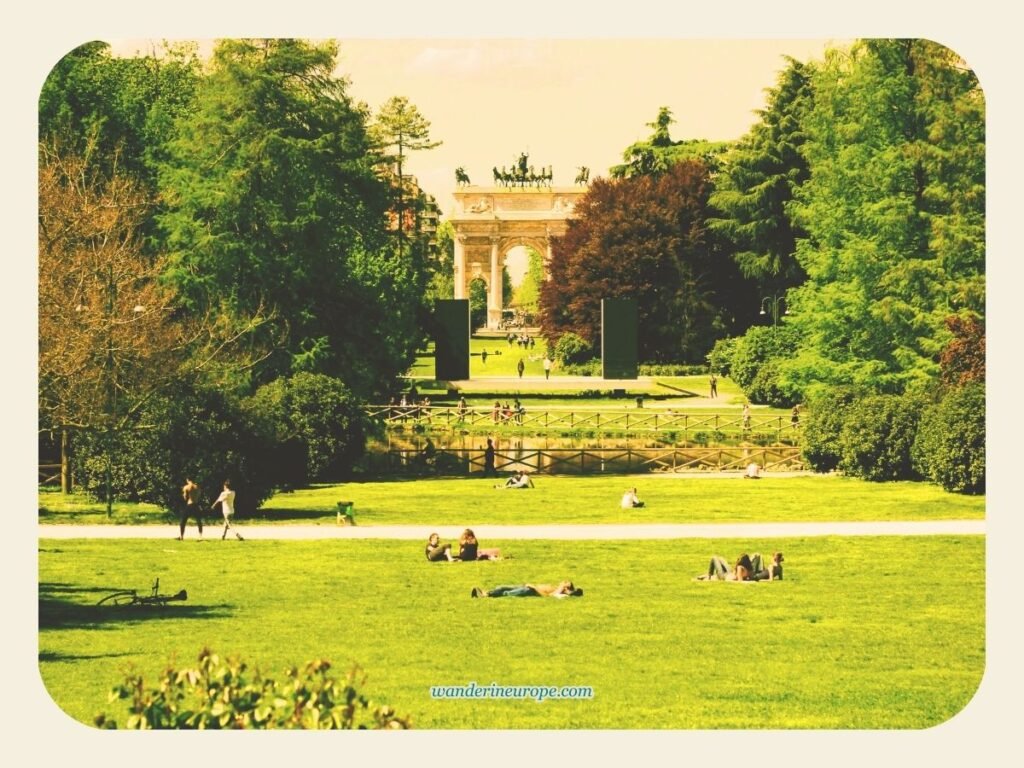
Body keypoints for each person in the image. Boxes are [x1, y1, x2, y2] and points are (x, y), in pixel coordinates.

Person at [471, 581, 582, 598]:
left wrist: (533, 587)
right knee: (501, 587)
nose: (562, 581)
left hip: (530, 590)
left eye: (565, 582)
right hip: (528, 587)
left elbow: (545, 595)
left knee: (507, 593)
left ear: (566, 587)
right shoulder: (557, 588)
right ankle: (486, 593)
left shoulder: (558, 592)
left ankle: (485, 596)